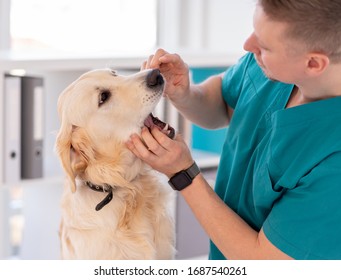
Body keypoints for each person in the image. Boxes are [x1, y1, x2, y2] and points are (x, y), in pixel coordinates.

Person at [126, 0, 341, 260]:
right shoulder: (269, 66)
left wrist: (183, 174)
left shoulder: (334, 162)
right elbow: (223, 105)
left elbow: (264, 263)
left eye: (264, 45)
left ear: (314, 64)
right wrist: (185, 93)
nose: (247, 46)